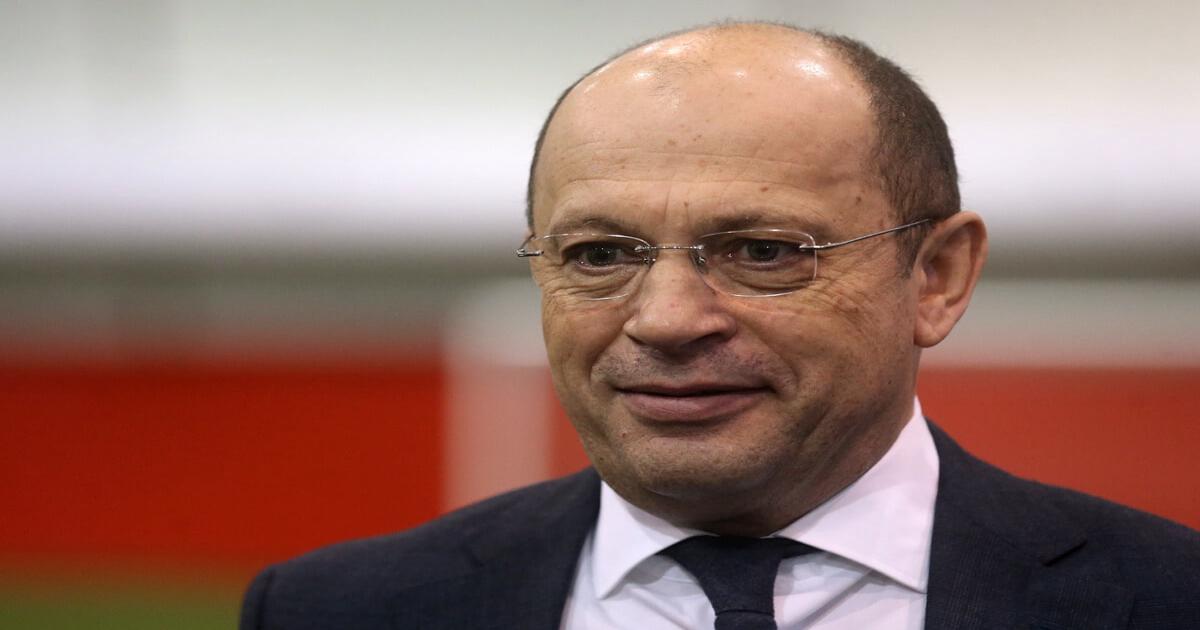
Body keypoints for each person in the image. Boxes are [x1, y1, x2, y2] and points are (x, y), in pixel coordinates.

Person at [239, 22, 1200, 630]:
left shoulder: (1167, 599)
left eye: (763, 251)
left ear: (937, 278)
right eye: (599, 254)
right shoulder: (337, 612)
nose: (665, 320)